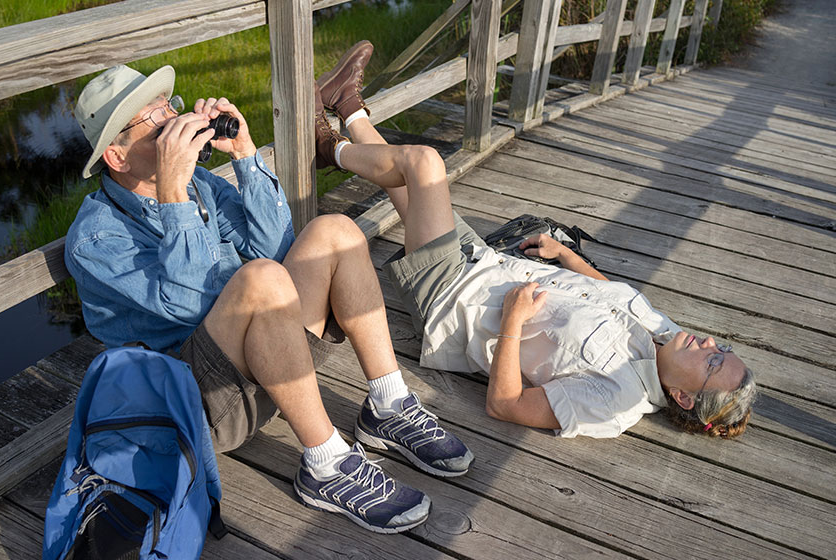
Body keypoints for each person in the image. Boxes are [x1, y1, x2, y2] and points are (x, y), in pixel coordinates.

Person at [64, 41, 474, 535]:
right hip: (196, 408)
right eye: (152, 120)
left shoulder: (200, 186)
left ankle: (389, 405)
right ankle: (325, 463)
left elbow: (277, 246)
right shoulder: (96, 237)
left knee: (335, 232)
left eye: (168, 107)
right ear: (116, 155)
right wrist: (174, 197)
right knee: (260, 280)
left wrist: (244, 155)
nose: (172, 122)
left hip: (267, 368)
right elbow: (191, 304)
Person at [371, 123, 758, 441]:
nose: (708, 342)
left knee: (423, 165)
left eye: (712, 361)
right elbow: (614, 299)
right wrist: (568, 256)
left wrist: (512, 322)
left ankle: (331, 146)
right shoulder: (666, 338)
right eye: (720, 346)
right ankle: (349, 110)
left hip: (453, 298)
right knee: (407, 180)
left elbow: (505, 405)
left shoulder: (614, 400)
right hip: (488, 263)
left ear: (683, 398)